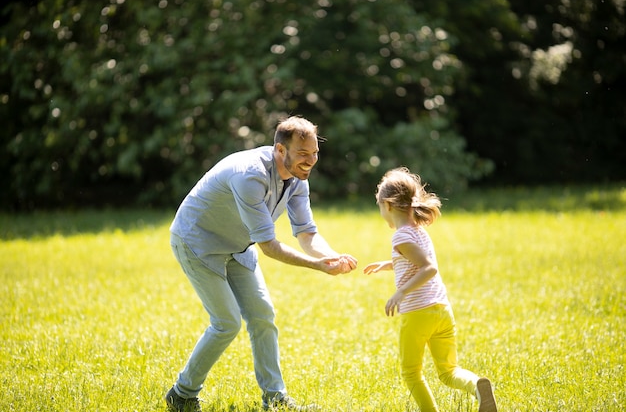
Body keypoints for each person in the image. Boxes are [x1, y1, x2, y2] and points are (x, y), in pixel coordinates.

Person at [165, 116, 358, 412]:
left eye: (315, 153)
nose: (311, 161)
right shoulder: (250, 175)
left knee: (262, 314)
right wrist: (318, 267)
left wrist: (330, 256)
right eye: (303, 154)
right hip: (197, 242)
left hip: (238, 245)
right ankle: (182, 393)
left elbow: (306, 233)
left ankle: (275, 397)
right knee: (226, 322)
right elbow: (270, 247)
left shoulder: (296, 178)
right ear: (280, 150)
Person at [363, 167, 497, 412]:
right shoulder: (418, 232)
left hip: (418, 314)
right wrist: (387, 265)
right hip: (442, 311)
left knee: (411, 372)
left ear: (389, 205)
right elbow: (413, 261)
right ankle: (477, 385)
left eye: (379, 206)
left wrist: (400, 292)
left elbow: (428, 267)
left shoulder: (400, 237)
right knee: (448, 371)